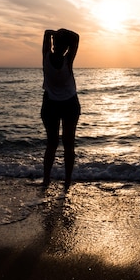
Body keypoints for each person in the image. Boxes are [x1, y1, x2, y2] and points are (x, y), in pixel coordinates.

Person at [41, 28, 80, 189]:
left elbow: (45, 38)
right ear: (66, 47)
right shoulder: (68, 61)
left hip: (50, 104)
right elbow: (76, 37)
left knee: (51, 144)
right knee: (69, 144)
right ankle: (68, 181)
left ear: (54, 44)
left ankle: (46, 180)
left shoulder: (46, 57)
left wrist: (51, 33)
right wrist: (63, 31)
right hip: (69, 104)